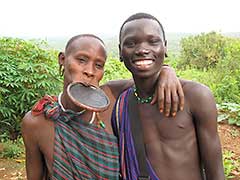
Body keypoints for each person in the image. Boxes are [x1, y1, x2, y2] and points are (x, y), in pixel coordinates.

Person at [21, 34, 184, 179]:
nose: (90, 71)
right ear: (63, 59)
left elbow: (147, 81)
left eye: (98, 65)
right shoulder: (36, 122)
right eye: (81, 60)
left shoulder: (112, 97)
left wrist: (166, 71)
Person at [112, 13, 225, 180]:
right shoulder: (118, 96)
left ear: (165, 48)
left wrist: (166, 70)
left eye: (153, 41)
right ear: (120, 52)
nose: (142, 49)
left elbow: (215, 171)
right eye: (131, 43)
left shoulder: (196, 96)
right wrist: (165, 71)